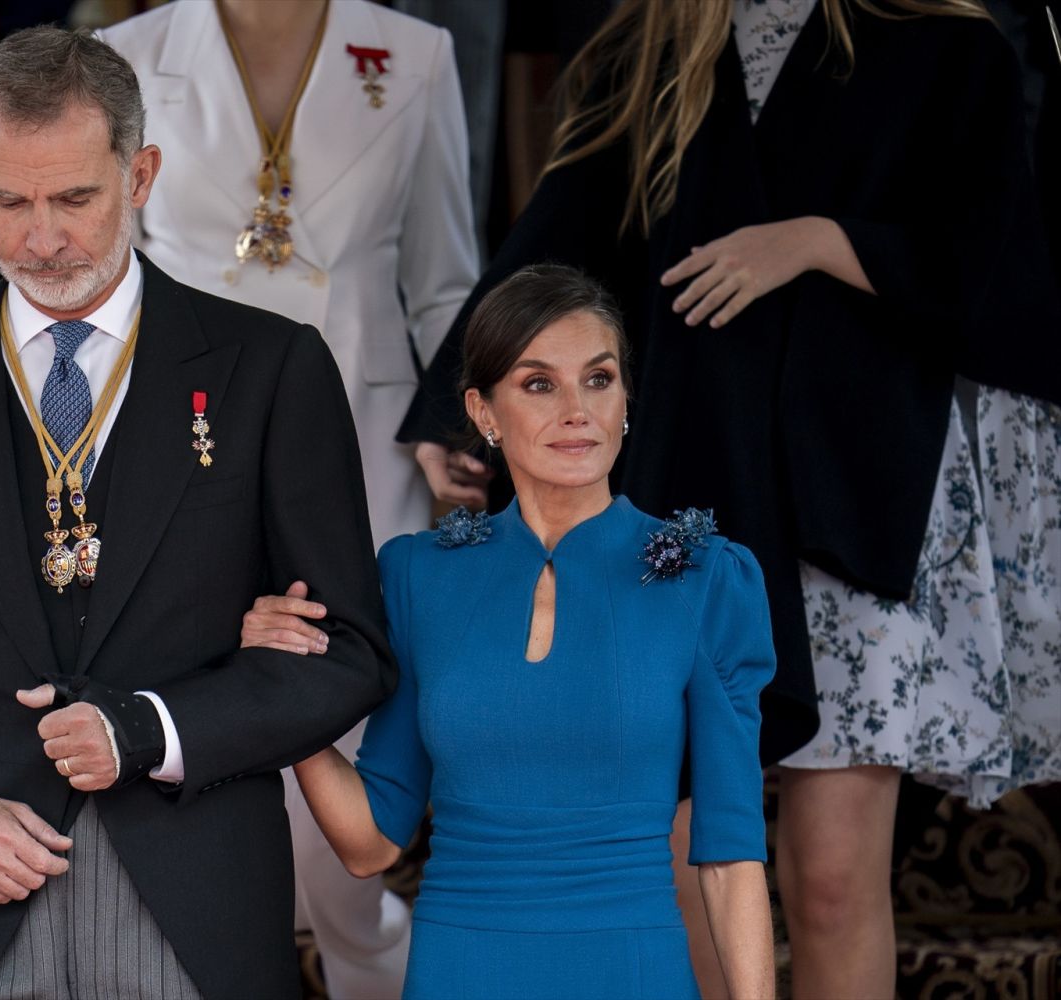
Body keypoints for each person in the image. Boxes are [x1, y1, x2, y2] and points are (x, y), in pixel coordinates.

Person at [397, 1, 1061, 995]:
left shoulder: (945, 44)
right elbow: (561, 245)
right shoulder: (646, 43)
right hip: (684, 493)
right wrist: (463, 408)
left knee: (831, 881)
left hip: (857, 497)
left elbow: (994, 263)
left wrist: (816, 241)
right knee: (678, 866)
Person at [0, 26, 395, 1000]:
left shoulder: (269, 370)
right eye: (8, 201)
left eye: (75, 197)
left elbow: (352, 651)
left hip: (200, 912)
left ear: (140, 174)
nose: (41, 238)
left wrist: (151, 728)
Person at [247, 264, 777, 1000]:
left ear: (626, 401)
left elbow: (729, 858)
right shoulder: (415, 577)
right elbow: (368, 843)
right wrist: (289, 688)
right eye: (538, 384)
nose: (577, 409)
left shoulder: (707, 579)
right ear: (483, 411)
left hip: (632, 972)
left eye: (599, 379)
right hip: (460, 971)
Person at [99, 2, 478, 994]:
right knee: (189, 785)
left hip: (362, 462)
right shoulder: (122, 59)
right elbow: (97, 281)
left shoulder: (415, 53)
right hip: (179, 468)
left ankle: (374, 964)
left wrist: (455, 423)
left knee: (336, 812)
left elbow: (445, 286)